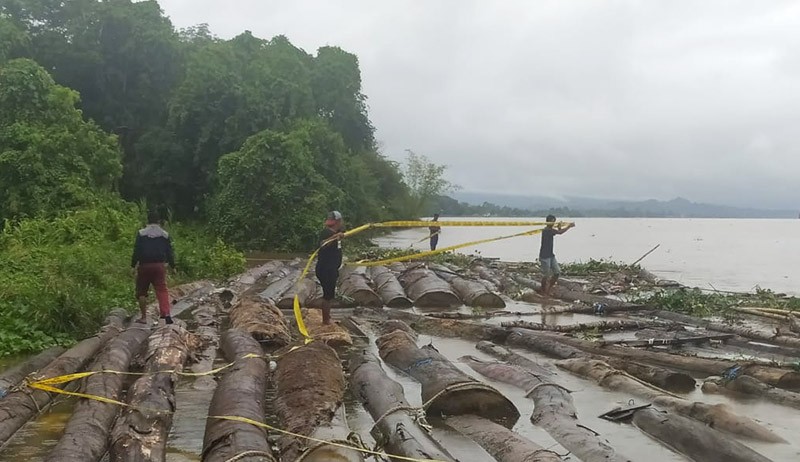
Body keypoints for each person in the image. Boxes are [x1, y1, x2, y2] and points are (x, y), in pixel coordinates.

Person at [131, 211, 175, 324]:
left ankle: (144, 318)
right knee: (162, 290)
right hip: (159, 266)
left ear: (148, 220)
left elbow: (137, 250)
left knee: (142, 292)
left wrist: (133, 265)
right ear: (159, 221)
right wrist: (173, 266)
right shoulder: (164, 235)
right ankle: (166, 314)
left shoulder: (141, 233)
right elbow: (169, 252)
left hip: (144, 265)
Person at [316, 211, 345, 325]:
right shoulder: (327, 233)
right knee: (328, 296)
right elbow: (323, 244)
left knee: (330, 294)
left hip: (331, 269)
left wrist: (339, 235)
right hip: (326, 269)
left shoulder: (336, 232)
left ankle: (328, 317)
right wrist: (335, 237)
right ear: (338, 221)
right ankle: (326, 321)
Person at [539, 214, 575, 297]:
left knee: (557, 272)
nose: (553, 223)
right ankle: (543, 290)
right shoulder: (546, 230)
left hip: (551, 255)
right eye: (552, 221)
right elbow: (560, 232)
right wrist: (569, 226)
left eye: (554, 221)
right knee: (546, 275)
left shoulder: (551, 230)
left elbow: (558, 232)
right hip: (544, 256)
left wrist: (559, 227)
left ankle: (549, 288)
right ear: (548, 222)